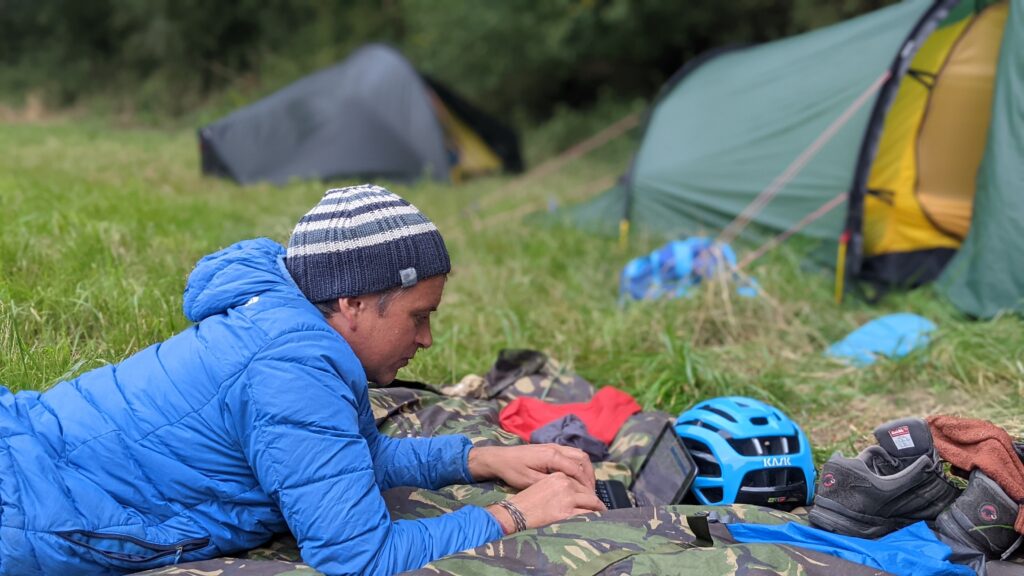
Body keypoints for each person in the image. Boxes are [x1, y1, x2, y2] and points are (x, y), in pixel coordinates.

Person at [0, 184, 605, 576]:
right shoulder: (290, 369)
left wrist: (480, 460)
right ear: (352, 303)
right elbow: (358, 558)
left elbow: (341, 459)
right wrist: (517, 515)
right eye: (419, 317)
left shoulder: (288, 325)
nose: (426, 341)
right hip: (23, 506)